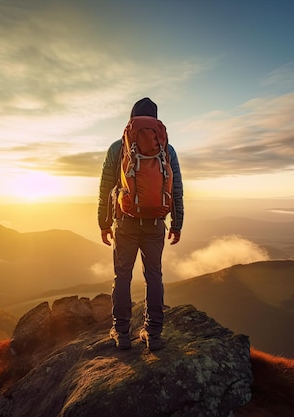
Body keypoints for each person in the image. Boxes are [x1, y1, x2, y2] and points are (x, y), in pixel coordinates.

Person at [97, 97, 184, 351]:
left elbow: (105, 188)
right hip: (156, 222)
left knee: (122, 277)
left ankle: (122, 333)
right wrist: (177, 224)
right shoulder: (167, 150)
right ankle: (153, 334)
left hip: (124, 222)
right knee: (154, 276)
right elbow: (176, 189)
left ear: (131, 119)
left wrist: (103, 223)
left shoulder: (118, 148)